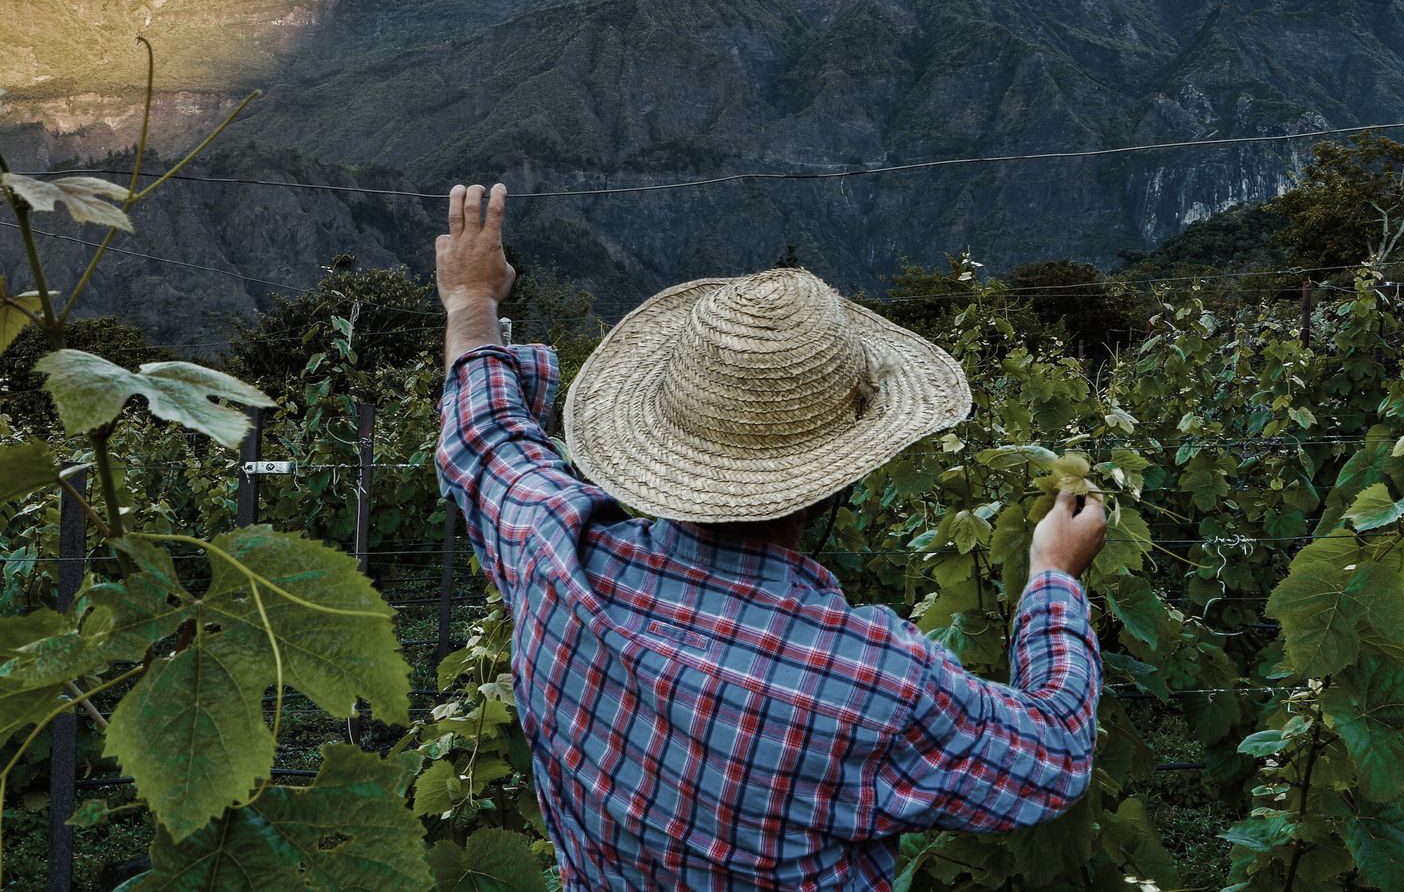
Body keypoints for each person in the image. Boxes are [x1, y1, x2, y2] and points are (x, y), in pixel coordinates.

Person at [435, 181, 1107, 891]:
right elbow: (1054, 755)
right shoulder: (871, 683)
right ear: (840, 477)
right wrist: (1053, 578)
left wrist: (471, 297)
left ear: (667, 438)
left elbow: (485, 439)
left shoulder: (556, 559)